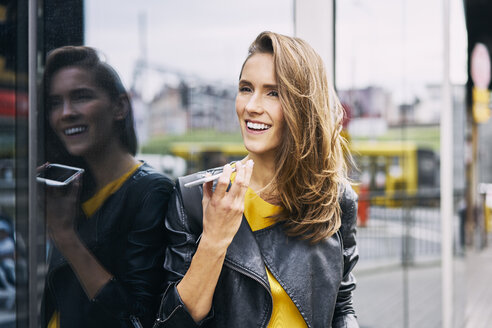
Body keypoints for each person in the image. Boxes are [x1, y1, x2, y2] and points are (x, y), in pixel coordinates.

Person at [154, 31, 359, 328]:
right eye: (246, 88)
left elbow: (342, 307)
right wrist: (214, 239)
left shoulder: (335, 199)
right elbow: (174, 323)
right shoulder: (195, 198)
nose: (252, 106)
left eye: (273, 92)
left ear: (303, 106)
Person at [41, 46, 173, 328]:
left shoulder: (151, 192)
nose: (65, 113)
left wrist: (66, 237)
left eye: (81, 97)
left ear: (120, 107)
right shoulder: (71, 193)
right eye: (55, 103)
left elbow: (137, 319)